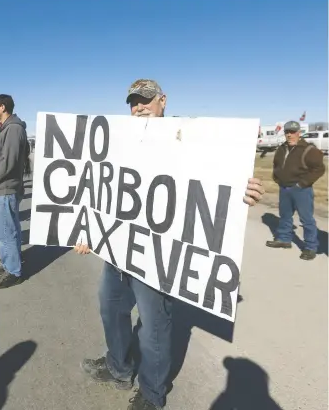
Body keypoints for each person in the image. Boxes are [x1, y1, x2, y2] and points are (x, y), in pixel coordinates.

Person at [74, 79, 265, 410]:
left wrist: (241, 191)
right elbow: (99, 185)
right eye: (133, 102)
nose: (138, 107)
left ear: (162, 100)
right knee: (110, 307)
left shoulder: (188, 139)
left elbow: (212, 182)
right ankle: (119, 367)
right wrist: (87, 230)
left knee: (154, 327)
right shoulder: (121, 140)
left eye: (145, 100)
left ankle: (152, 394)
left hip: (157, 254)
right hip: (117, 248)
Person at [0, 94, 31, 289]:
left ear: (3, 108)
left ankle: (13, 271)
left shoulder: (13, 129)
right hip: (3, 188)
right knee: (10, 229)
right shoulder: (8, 128)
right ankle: (10, 262)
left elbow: (8, 162)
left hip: (2, 188)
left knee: (4, 232)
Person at [266, 120, 325, 260]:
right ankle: (284, 239)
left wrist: (303, 183)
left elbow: (319, 169)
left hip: (301, 190)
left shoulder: (309, 150)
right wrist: (277, 178)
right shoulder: (282, 148)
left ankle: (311, 247)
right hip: (284, 188)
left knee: (306, 219)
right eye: (287, 132)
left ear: (299, 133)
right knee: (285, 215)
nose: (290, 135)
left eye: (293, 132)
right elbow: (276, 165)